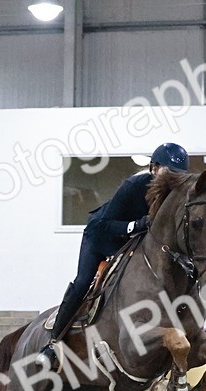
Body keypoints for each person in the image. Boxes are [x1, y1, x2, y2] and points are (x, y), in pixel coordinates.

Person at [38, 142, 190, 371]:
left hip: (133, 243)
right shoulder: (134, 185)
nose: (172, 180)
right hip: (101, 237)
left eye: (177, 175)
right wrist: (137, 225)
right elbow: (105, 225)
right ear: (153, 168)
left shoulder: (176, 196)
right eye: (167, 172)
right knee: (82, 283)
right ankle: (53, 343)